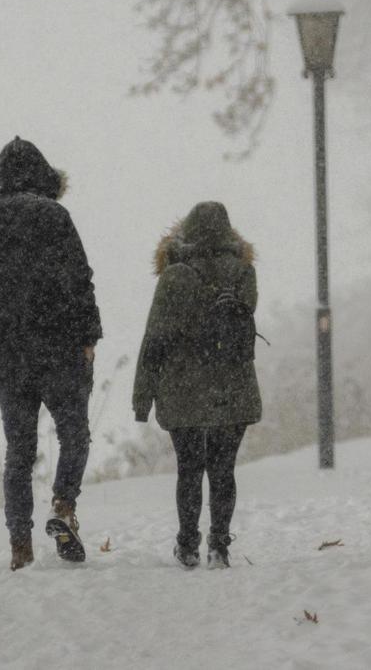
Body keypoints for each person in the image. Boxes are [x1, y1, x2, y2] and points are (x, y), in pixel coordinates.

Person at [0, 137, 102, 570]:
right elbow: (80, 281)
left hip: (10, 355)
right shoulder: (53, 216)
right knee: (74, 434)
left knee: (19, 450)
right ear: (41, 175)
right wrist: (88, 337)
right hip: (60, 346)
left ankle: (20, 546)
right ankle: (63, 505)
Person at [133, 201, 261, 569]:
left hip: (182, 387)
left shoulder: (174, 276)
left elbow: (154, 338)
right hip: (231, 387)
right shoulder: (243, 272)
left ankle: (187, 544)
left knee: (189, 468)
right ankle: (220, 545)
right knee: (223, 469)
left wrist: (142, 396)